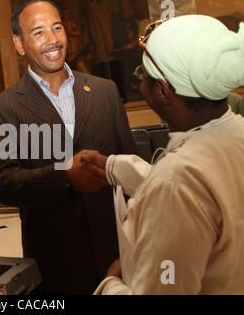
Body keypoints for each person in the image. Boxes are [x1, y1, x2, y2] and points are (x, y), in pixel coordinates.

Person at [0, 0, 136, 294]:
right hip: (55, 259)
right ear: (19, 43)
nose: (52, 40)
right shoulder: (1, 109)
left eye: (57, 28)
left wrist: (136, 241)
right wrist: (64, 178)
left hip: (115, 251)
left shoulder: (105, 91)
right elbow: (2, 181)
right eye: (38, 32)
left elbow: (129, 165)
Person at [83, 15, 244, 294]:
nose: (139, 85)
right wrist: (115, 167)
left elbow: (180, 188)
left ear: (163, 91)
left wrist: (111, 284)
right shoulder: (235, 130)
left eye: (142, 78)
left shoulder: (175, 180)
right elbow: (206, 192)